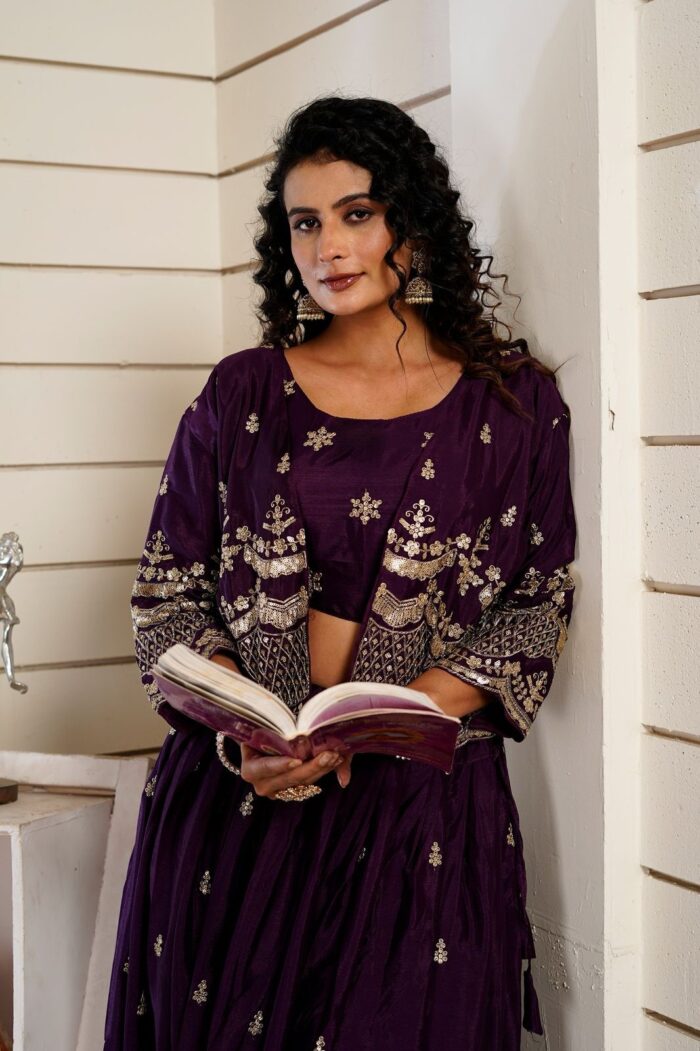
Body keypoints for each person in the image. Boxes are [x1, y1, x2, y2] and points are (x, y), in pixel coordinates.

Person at [104, 94, 576, 1050]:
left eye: (356, 213)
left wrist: (396, 718)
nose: (328, 247)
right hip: (241, 805)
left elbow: (536, 603)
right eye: (305, 222)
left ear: (412, 219)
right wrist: (246, 736)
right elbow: (167, 596)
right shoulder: (241, 392)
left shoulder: (514, 406)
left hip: (422, 817)